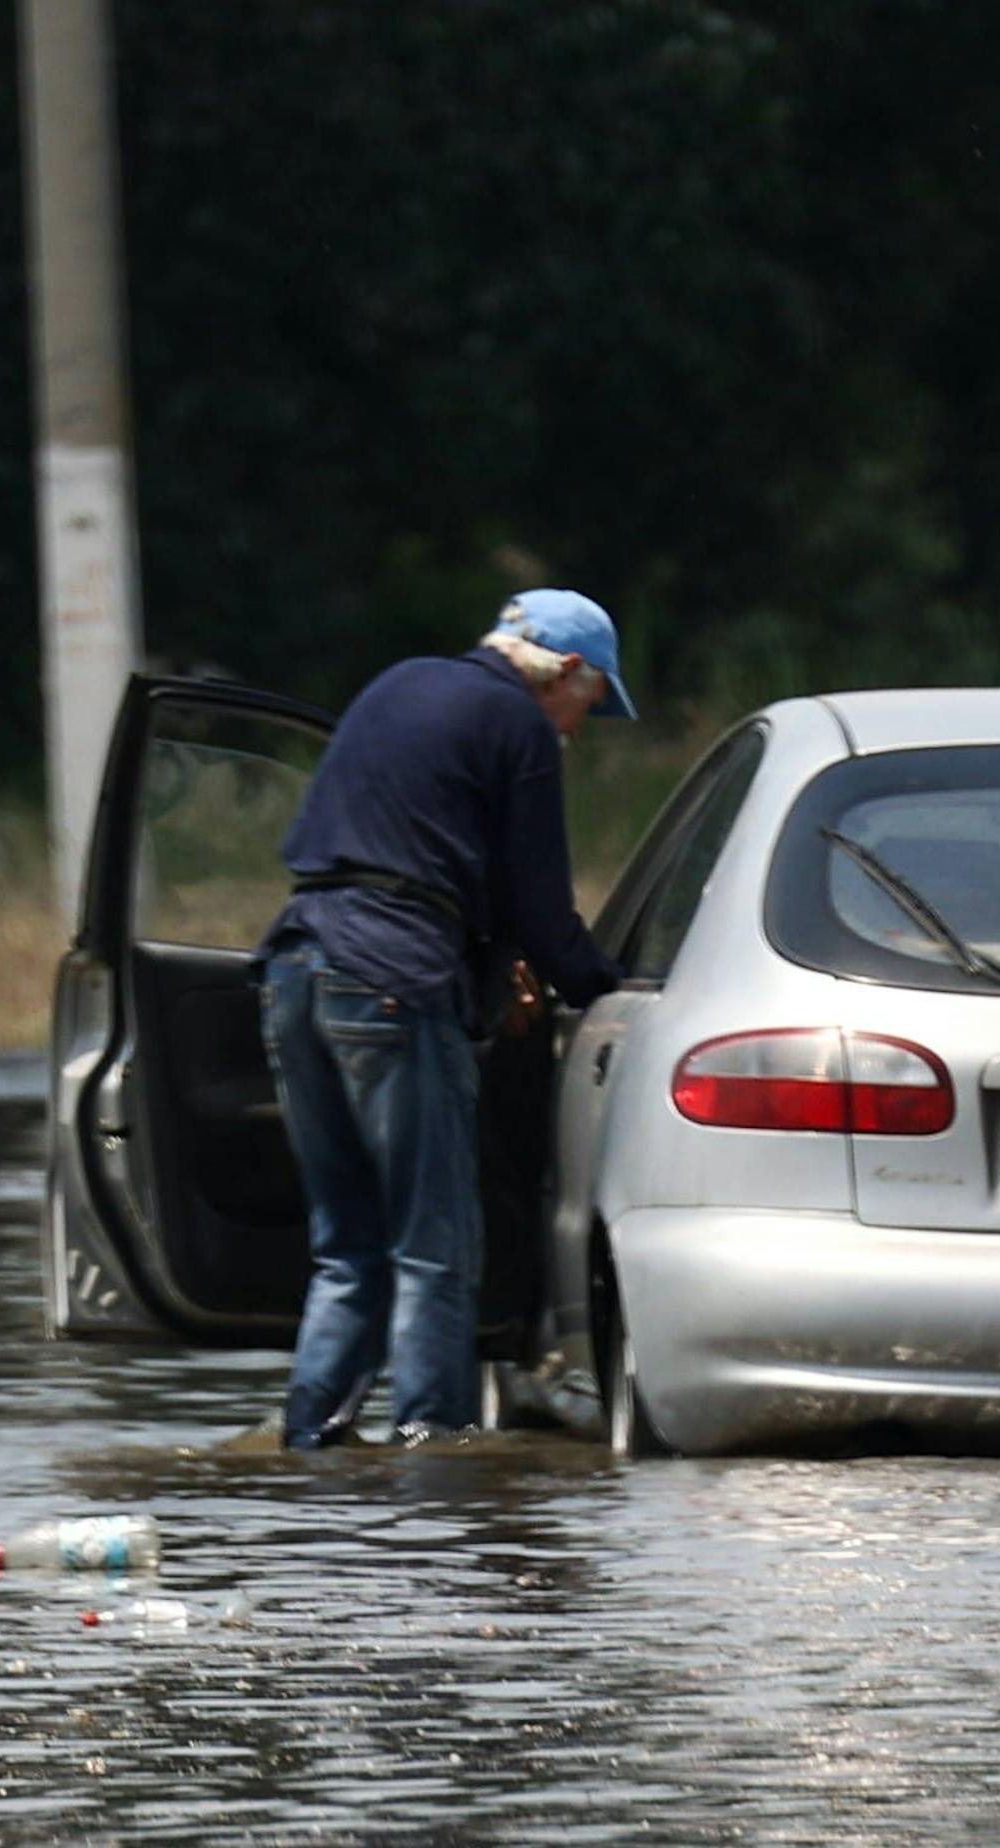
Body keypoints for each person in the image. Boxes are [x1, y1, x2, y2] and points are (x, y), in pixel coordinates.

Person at [255, 589, 633, 1448]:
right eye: (592, 702)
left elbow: (423, 850)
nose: (580, 728)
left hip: (294, 967)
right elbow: (539, 903)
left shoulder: (398, 685)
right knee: (436, 1250)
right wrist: (604, 986)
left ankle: (310, 1448)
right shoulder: (520, 726)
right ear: (565, 671)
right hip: (393, 982)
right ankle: (436, 1465)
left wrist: (499, 961)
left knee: (347, 1248)